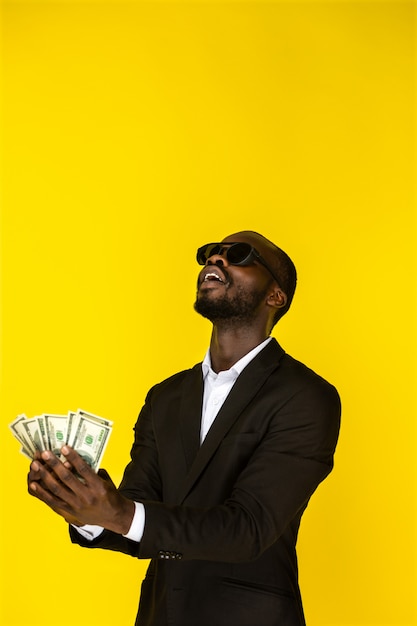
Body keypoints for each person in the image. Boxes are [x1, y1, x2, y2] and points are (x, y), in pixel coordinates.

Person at [28, 230, 341, 626]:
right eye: (210, 253)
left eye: (240, 254)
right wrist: (83, 508)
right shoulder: (166, 396)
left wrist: (120, 513)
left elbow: (248, 528)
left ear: (275, 296)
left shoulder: (306, 395)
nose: (216, 259)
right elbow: (138, 506)